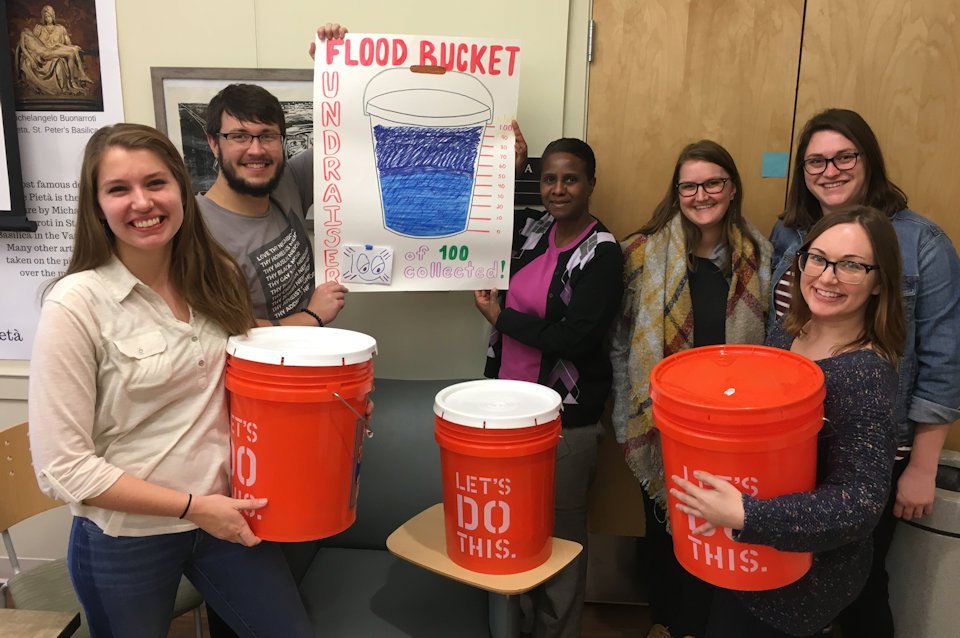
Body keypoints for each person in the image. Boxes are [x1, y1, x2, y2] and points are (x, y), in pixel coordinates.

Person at [27, 123, 313, 637]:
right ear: (96, 206)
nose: (142, 202)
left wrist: (333, 412)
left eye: (156, 183)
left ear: (182, 189)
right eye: (119, 189)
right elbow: (61, 469)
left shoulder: (215, 274)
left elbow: (248, 383)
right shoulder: (76, 303)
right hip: (128, 537)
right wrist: (193, 508)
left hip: (227, 514)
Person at [768, 108, 960, 638]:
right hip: (799, 440)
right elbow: (782, 330)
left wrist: (922, 467)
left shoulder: (922, 243)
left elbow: (944, 361)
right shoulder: (790, 235)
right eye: (814, 161)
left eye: (843, 156)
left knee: (859, 586)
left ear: (868, 160)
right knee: (791, 577)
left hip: (875, 449)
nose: (829, 171)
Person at [672, 206, 906, 637]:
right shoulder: (788, 330)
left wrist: (747, 514)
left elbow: (860, 504)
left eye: (852, 265)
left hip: (796, 585)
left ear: (879, 282)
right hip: (749, 551)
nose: (827, 276)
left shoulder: (865, 375)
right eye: (817, 258)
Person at [609, 140, 771, 638]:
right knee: (664, 528)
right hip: (662, 422)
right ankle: (666, 622)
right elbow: (619, 343)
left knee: (721, 532)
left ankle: (704, 625)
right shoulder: (640, 254)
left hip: (732, 428)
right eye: (689, 186)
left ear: (732, 187)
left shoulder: (761, 257)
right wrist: (623, 415)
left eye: (712, 183)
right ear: (676, 192)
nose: (701, 194)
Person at [474, 137, 622, 638]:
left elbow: (575, 340)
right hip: (506, 409)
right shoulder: (531, 231)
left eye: (571, 178)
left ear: (591, 184)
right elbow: (481, 205)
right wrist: (507, 162)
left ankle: (556, 633)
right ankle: (511, 627)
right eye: (549, 179)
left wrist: (501, 317)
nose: (558, 189)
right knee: (510, 527)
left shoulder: (602, 253)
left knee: (559, 537)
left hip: (566, 421)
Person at [198, 22, 349, 328]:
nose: (256, 150)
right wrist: (312, 316)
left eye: (267, 136)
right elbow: (221, 331)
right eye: (239, 136)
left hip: (312, 361)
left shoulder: (286, 180)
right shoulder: (196, 230)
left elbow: (349, 141)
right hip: (259, 374)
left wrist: (336, 69)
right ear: (213, 143)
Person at [15, 4, 93, 96]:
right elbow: (28, 46)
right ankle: (75, 80)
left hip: (56, 50)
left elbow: (68, 43)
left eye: (50, 15)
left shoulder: (61, 29)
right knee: (66, 57)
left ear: (53, 16)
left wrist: (71, 46)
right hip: (45, 55)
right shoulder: (37, 29)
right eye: (46, 16)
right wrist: (31, 57)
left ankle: (77, 79)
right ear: (43, 17)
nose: (48, 18)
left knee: (73, 50)